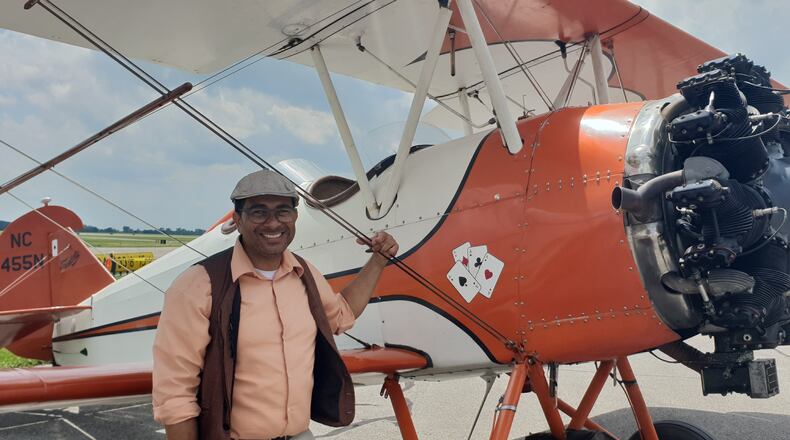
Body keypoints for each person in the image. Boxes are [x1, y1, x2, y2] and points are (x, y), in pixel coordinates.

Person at [152, 170, 398, 440]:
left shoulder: (304, 274)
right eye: (258, 212)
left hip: (300, 434)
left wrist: (378, 260)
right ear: (237, 219)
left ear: (294, 217)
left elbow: (342, 315)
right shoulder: (198, 284)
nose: (272, 223)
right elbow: (175, 394)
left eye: (283, 211)